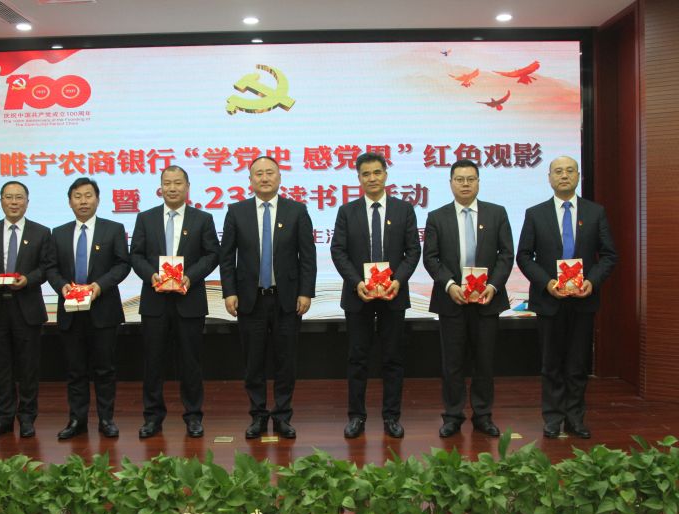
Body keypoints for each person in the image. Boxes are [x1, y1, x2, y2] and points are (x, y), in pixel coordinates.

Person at [517, 155, 617, 439]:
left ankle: (575, 418)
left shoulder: (595, 212)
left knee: (577, 363)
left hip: (583, 300)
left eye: (570, 171)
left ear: (578, 176)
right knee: (551, 364)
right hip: (549, 300)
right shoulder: (535, 214)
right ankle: (552, 418)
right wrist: (547, 283)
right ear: (549, 178)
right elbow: (524, 256)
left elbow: (609, 255)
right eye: (558, 171)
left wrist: (591, 282)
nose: (564, 176)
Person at [220, 156, 317, 439]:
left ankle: (283, 416)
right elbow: (227, 257)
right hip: (250, 300)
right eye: (259, 174)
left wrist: (305, 292)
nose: (264, 178)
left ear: (279, 177)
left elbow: (307, 257)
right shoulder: (236, 212)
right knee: (253, 363)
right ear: (250, 180)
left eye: (270, 173)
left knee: (286, 361)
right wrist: (229, 292)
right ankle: (258, 416)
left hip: (287, 300)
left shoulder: (296, 211)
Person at [331, 152, 421, 439]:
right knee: (357, 358)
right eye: (366, 174)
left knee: (392, 358)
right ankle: (356, 416)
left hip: (393, 295)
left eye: (377, 172)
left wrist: (398, 280)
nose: (372, 178)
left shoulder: (403, 210)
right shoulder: (347, 211)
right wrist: (356, 282)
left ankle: (391, 417)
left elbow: (413, 251)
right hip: (358, 296)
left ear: (385, 175)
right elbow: (338, 251)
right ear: (359, 178)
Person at [422, 159, 513, 438]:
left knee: (484, 361)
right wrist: (450, 285)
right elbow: (431, 258)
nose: (465, 184)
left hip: (487, 300)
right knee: (453, 363)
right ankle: (452, 416)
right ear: (450, 183)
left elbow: (506, 255)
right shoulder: (437, 217)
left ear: (478, 182)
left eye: (470, 179)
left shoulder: (497, 213)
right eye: (459, 179)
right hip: (452, 300)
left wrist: (493, 286)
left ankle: (483, 415)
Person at [130, 166, 220, 438]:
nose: (172, 188)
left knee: (190, 362)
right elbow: (136, 255)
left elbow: (212, 255)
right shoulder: (145, 218)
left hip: (189, 300)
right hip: (155, 301)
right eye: (167, 183)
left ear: (187, 186)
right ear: (160, 187)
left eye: (177, 183)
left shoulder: (202, 219)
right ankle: (152, 418)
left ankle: (193, 416)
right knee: (153, 362)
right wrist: (152, 276)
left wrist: (189, 277)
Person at [47, 177, 131, 439]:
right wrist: (62, 286)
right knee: (75, 371)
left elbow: (122, 264)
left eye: (88, 195)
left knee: (105, 369)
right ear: (70, 202)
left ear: (97, 199)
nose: (83, 201)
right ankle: (77, 420)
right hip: (70, 311)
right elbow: (51, 268)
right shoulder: (58, 233)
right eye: (77, 197)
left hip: (103, 310)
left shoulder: (113, 229)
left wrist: (99, 285)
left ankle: (106, 420)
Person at [0, 181, 54, 439]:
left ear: (27, 202)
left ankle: (27, 418)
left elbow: (47, 267)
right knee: (2, 367)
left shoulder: (42, 232)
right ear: (1, 201)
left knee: (28, 367)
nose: (14, 202)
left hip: (27, 308)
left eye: (19, 197)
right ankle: (3, 419)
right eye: (9, 197)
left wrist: (28, 279)